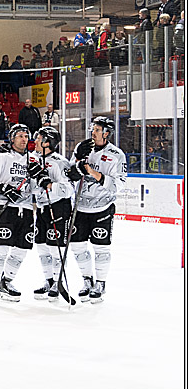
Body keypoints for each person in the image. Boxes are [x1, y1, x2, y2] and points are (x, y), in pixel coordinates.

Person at [64, 117, 127, 304]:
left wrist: (92, 172)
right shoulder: (83, 148)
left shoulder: (116, 155)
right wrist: (77, 162)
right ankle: (87, 280)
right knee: (78, 246)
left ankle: (100, 283)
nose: (93, 132)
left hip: (102, 208)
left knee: (101, 248)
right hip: (80, 207)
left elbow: (119, 184)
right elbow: (69, 175)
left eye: (97, 129)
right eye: (93, 128)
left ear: (106, 133)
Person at [0, 123, 36, 303]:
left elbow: (37, 187)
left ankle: (7, 281)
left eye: (26, 136)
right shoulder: (1, 157)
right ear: (12, 138)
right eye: (20, 135)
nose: (24, 139)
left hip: (26, 209)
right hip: (4, 208)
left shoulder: (34, 159)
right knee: (1, 248)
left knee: (21, 249)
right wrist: (4, 189)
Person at [23, 126, 76, 303]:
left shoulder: (60, 162)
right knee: (41, 247)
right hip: (42, 208)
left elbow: (68, 189)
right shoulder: (33, 159)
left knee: (55, 248)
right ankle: (49, 280)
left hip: (59, 208)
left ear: (47, 142)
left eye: (39, 138)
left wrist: (49, 184)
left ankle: (58, 282)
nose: (35, 141)